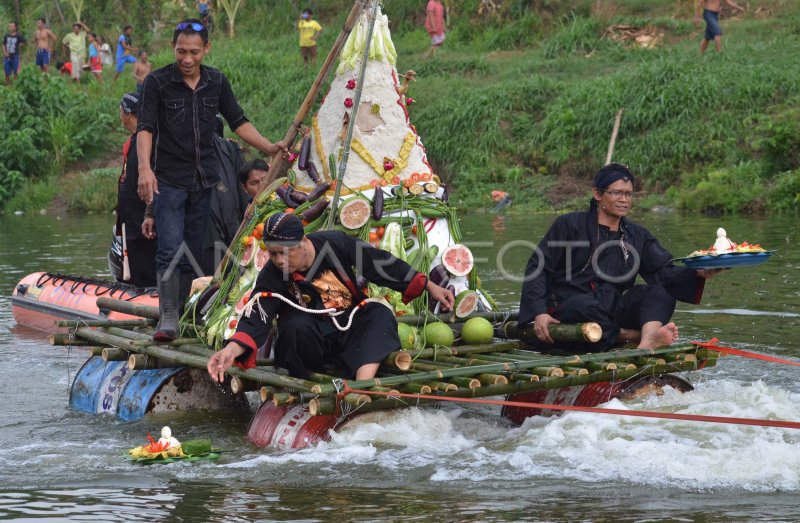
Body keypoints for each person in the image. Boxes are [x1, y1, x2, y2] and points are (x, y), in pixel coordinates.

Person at [136, 19, 289, 342]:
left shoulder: (216, 82)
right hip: (169, 179)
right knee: (169, 248)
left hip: (204, 179)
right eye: (181, 51)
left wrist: (268, 146)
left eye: (194, 52)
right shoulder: (158, 82)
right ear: (173, 48)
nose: (187, 59)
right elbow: (145, 128)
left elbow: (238, 121)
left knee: (193, 249)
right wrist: (144, 170)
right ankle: (167, 318)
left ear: (206, 49)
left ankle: (183, 313)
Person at [207, 212, 456, 382]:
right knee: (293, 328)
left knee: (379, 314)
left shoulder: (334, 244)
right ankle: (305, 388)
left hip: (348, 323)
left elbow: (379, 264)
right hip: (311, 339)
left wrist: (428, 286)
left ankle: (362, 386)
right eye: (272, 254)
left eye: (285, 253)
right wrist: (230, 349)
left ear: (303, 242)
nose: (279, 261)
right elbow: (257, 315)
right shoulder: (273, 273)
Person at [518, 163, 724, 353]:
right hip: (569, 311)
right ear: (597, 194)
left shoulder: (637, 235)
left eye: (628, 194)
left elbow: (665, 271)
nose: (624, 200)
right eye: (617, 193)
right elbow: (538, 268)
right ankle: (626, 336)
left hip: (610, 310)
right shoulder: (569, 225)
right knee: (581, 304)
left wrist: (699, 272)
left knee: (662, 289)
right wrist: (539, 312)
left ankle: (647, 340)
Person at [113, 92, 157, 288]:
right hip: (130, 221)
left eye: (120, 111)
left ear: (127, 113)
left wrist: (150, 213)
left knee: (146, 268)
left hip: (144, 222)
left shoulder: (146, 142)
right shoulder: (133, 141)